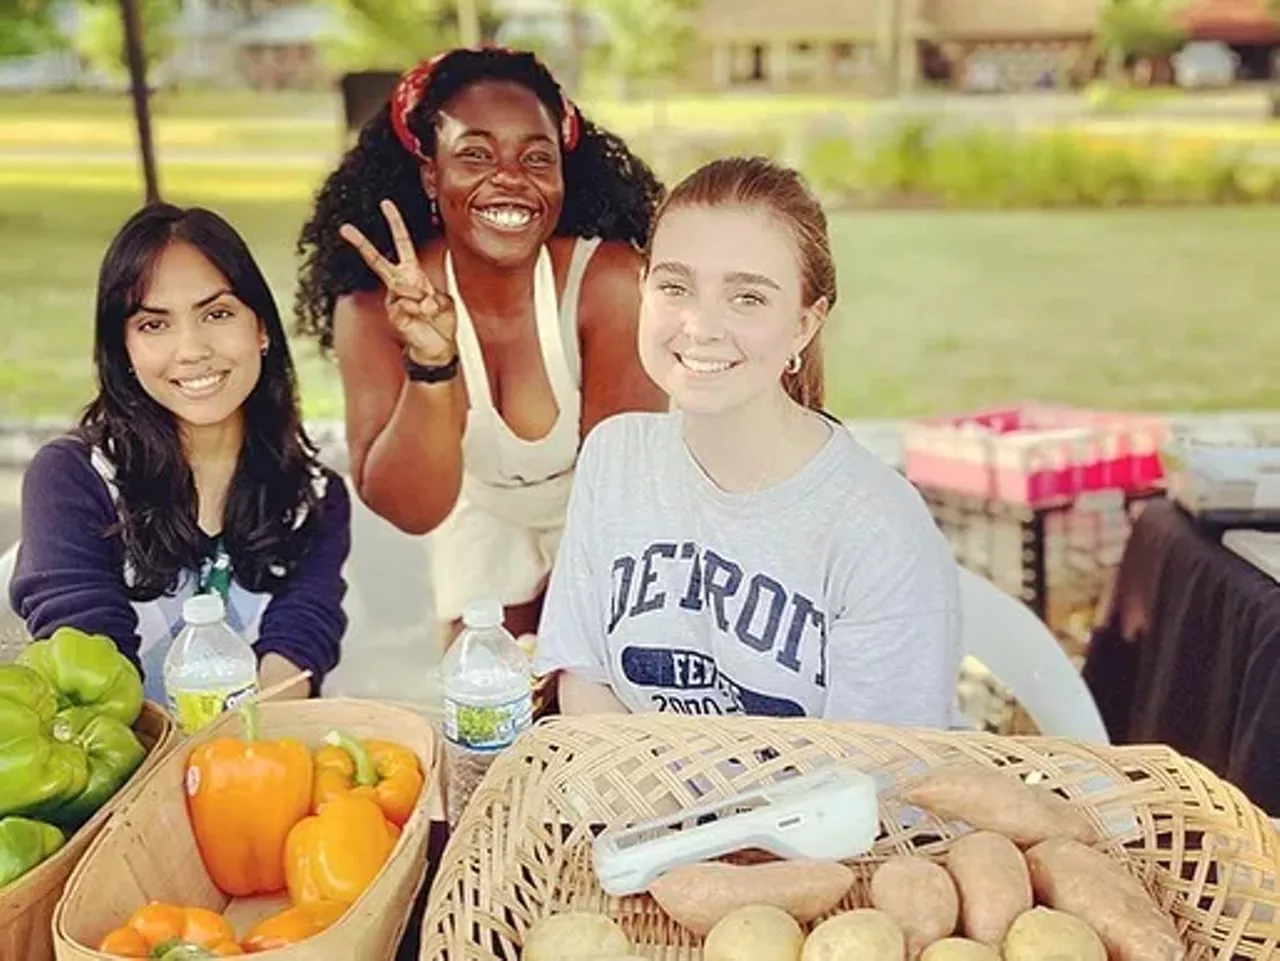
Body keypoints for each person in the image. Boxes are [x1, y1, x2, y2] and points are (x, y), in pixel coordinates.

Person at [533, 157, 963, 727]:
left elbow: (876, 777)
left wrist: (710, 818)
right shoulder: (616, 459)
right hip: (634, 809)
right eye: (675, 286)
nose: (701, 325)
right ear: (644, 289)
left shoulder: (877, 526)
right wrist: (657, 812)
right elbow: (585, 684)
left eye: (748, 298)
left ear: (805, 325)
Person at [295, 47, 668, 645]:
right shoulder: (373, 307)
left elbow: (622, 496)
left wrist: (562, 647)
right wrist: (431, 363)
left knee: (588, 697)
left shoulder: (609, 284)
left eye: (536, 157)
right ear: (430, 174)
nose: (510, 178)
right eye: (475, 153)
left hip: (608, 518)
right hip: (481, 514)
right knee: (484, 703)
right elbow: (411, 509)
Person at [10, 204, 351, 703]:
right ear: (121, 348)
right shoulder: (74, 479)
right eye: (153, 324)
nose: (191, 349)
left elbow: (300, 639)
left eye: (217, 313)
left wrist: (243, 752)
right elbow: (93, 669)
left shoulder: (314, 497)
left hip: (255, 763)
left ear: (261, 330)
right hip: (123, 763)